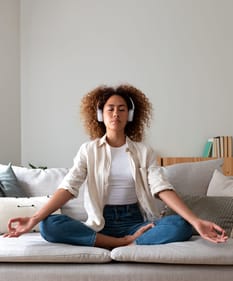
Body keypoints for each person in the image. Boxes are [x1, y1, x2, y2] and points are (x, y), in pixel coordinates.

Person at [4, 84, 228, 248]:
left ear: (130, 115)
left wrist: (195, 221)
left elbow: (161, 188)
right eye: (110, 108)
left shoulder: (144, 152)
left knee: (181, 225)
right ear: (101, 115)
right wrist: (34, 219)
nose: (116, 114)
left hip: (136, 223)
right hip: (100, 223)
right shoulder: (88, 150)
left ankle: (119, 241)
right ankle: (118, 243)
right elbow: (68, 188)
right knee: (48, 225)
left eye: (122, 109)